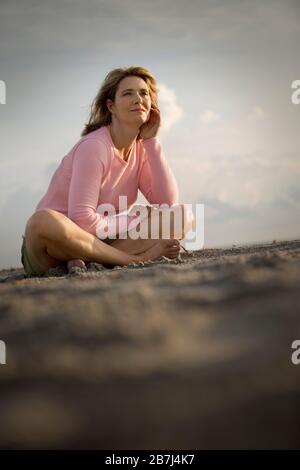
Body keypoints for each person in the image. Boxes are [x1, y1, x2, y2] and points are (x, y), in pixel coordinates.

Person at [21, 66, 194, 277]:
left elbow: (167, 203)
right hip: (57, 242)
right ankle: (136, 259)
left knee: (182, 215)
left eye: (144, 93)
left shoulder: (142, 147)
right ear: (111, 106)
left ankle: (92, 261)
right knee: (41, 221)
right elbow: (82, 220)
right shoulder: (94, 146)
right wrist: (134, 219)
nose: (138, 99)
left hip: (103, 240)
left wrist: (152, 142)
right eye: (127, 93)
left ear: (152, 104)